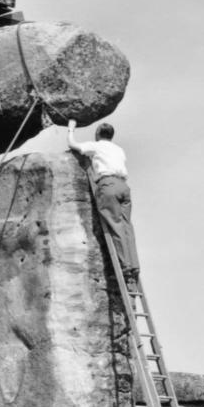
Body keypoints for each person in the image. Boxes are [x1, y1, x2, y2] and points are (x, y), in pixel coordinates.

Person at [67, 120, 140, 286]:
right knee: (127, 226)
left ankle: (125, 266)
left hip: (108, 185)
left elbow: (73, 144)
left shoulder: (97, 146)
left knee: (115, 225)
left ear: (98, 134)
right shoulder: (119, 149)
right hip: (124, 187)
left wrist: (71, 128)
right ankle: (134, 265)